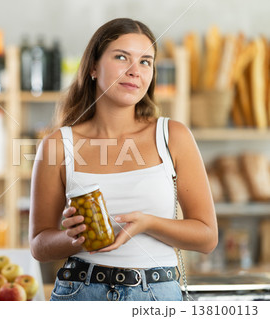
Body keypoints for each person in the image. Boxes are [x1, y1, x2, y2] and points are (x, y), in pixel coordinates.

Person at [29, 18, 218, 301]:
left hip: (156, 295)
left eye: (145, 62)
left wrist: (148, 223)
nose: (135, 71)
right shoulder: (57, 145)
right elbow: (39, 245)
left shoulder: (172, 136)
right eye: (121, 57)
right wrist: (73, 237)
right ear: (93, 67)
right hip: (80, 292)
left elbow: (206, 237)